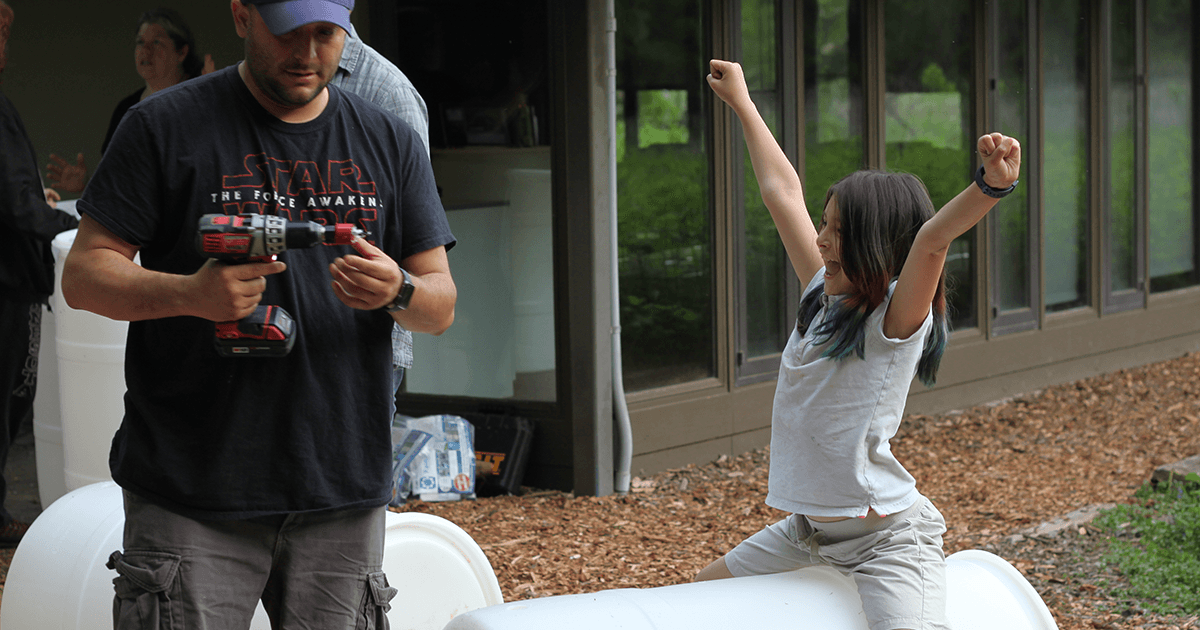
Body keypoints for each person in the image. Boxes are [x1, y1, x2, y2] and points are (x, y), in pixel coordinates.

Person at [61, 0, 456, 627]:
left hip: (341, 492)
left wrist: (399, 290)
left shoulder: (389, 138)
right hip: (193, 492)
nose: (305, 54)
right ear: (242, 15)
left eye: (325, 35)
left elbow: (440, 304)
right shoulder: (163, 125)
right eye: (287, 32)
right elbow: (83, 276)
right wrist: (190, 294)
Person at [697, 59, 1021, 630]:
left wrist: (991, 186)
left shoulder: (892, 323)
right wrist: (744, 104)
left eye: (838, 231)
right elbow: (780, 192)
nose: (820, 239)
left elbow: (932, 240)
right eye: (823, 225)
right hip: (808, 534)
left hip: (887, 543)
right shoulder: (821, 293)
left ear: (878, 246)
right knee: (698, 599)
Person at [0, 0, 81, 547]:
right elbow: (16, 204)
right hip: (7, 280)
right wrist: (74, 228)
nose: (5, 40)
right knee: (6, 399)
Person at [330, 22, 430, 393]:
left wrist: (397, 290)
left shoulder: (389, 92)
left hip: (358, 346)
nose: (305, 53)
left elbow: (417, 235)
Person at [45, 7, 214, 195]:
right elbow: (115, 182)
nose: (145, 50)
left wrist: (211, 107)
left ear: (181, 52)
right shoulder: (126, 109)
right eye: (140, 42)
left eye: (156, 42)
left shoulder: (202, 100)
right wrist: (86, 187)